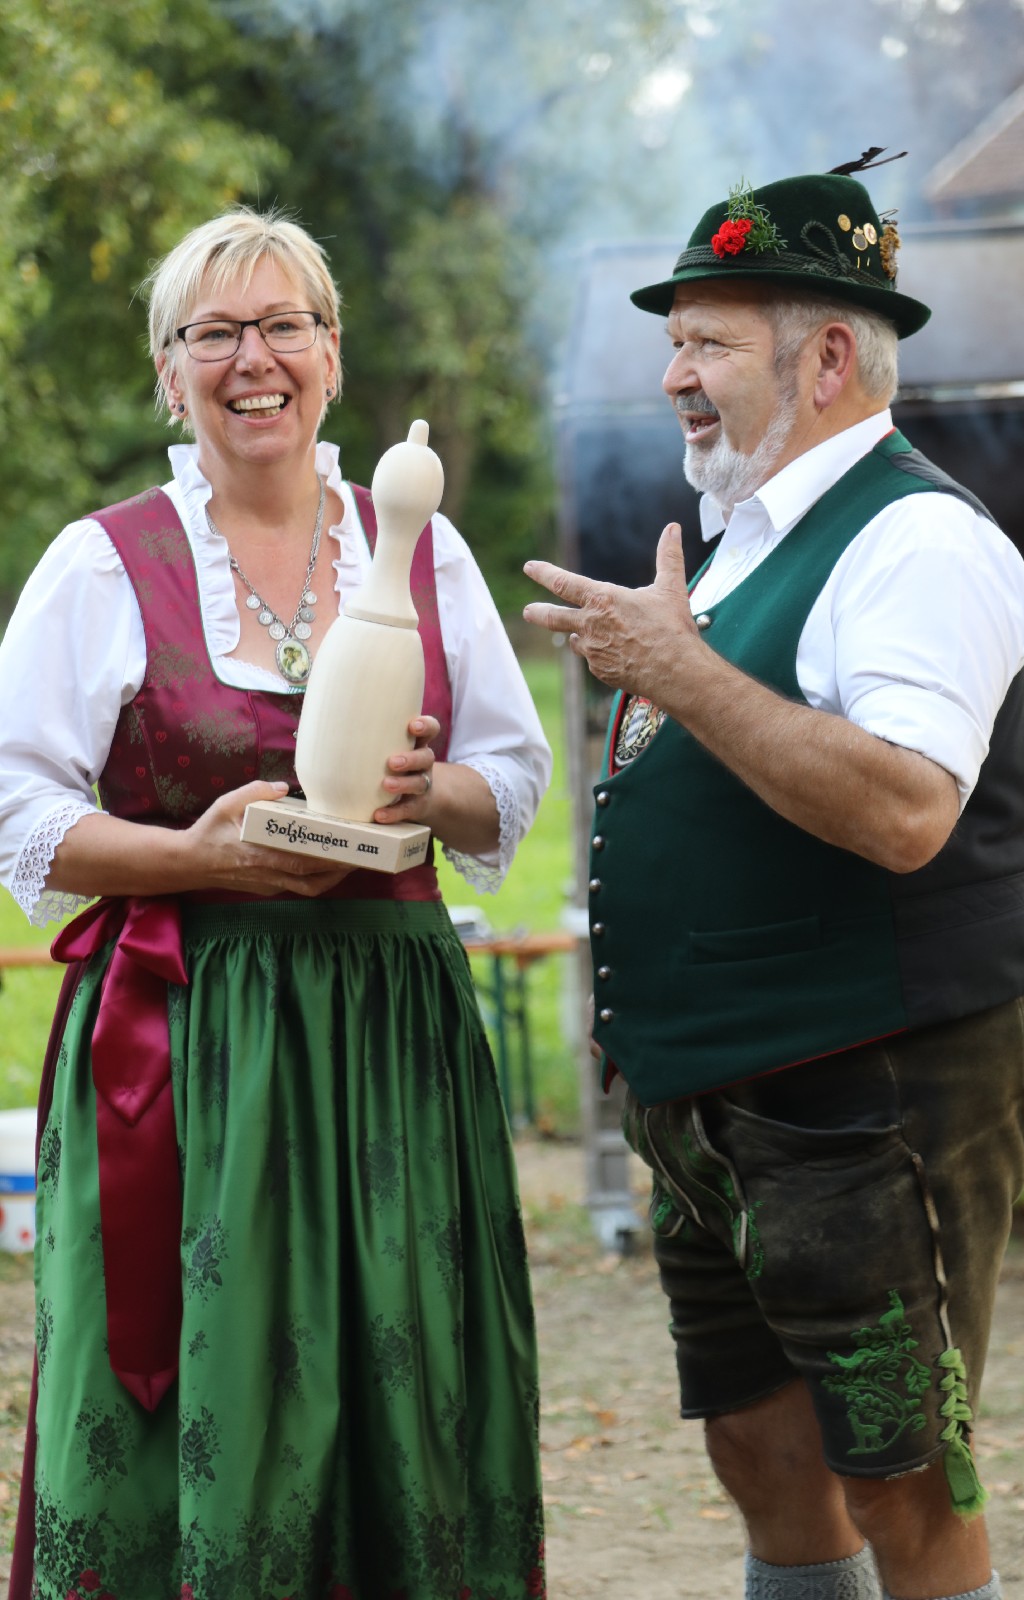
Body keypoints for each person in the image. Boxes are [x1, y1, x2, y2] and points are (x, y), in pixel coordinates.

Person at [523, 162, 1024, 1600]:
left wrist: (678, 667)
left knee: (902, 1475)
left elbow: (905, 811)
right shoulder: (738, 544)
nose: (671, 376)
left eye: (706, 342)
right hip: (725, 1098)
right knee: (759, 1447)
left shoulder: (920, 539)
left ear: (825, 357)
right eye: (674, 342)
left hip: (872, 1086)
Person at [0, 206, 551, 1600]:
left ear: (333, 354)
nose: (254, 359)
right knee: (218, 1370)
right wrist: (198, 856)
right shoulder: (103, 561)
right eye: (215, 333)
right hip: (195, 1034)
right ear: (169, 373)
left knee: (401, 1368)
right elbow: (17, 810)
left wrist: (432, 793)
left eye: (284, 325)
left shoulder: (421, 546)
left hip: (388, 1032)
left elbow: (510, 778)